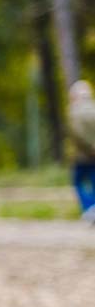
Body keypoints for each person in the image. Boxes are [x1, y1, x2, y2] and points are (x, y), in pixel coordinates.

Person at [67, 80, 95, 221]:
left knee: (78, 181)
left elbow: (77, 134)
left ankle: (89, 207)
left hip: (83, 155)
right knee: (93, 179)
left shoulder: (75, 110)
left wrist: (90, 147)